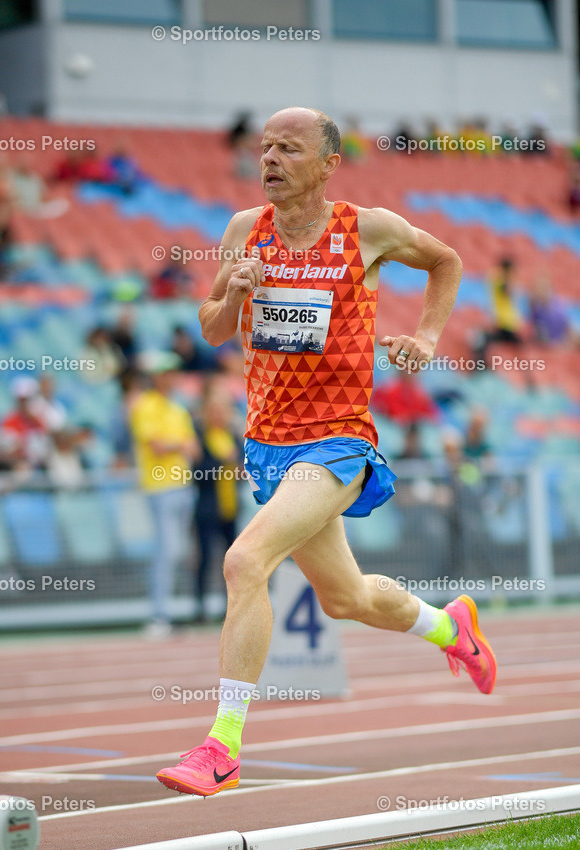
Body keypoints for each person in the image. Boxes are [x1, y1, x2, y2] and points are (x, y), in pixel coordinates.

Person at [156, 106, 498, 798]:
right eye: (265, 148)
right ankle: (448, 626)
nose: (270, 160)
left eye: (288, 148)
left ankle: (221, 746)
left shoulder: (365, 228)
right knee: (344, 599)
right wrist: (236, 292)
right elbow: (214, 327)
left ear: (327, 164)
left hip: (337, 439)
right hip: (269, 444)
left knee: (244, 559)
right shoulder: (241, 231)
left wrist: (428, 337)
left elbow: (445, 261)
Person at [129, 352, 199, 637]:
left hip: (180, 486)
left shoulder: (175, 408)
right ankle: (159, 615)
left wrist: (175, 445)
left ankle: (165, 614)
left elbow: (190, 448)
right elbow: (159, 446)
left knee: (174, 551)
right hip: (160, 487)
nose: (171, 376)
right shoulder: (146, 406)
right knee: (166, 551)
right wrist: (178, 445)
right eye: (166, 372)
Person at [192, 378, 243, 620]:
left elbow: (243, 468)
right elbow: (198, 470)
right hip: (207, 506)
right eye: (213, 410)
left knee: (231, 561)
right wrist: (225, 464)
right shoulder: (200, 436)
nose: (218, 415)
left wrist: (237, 469)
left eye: (221, 410)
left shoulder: (232, 435)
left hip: (230, 506)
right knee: (204, 557)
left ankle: (229, 608)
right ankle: (200, 608)